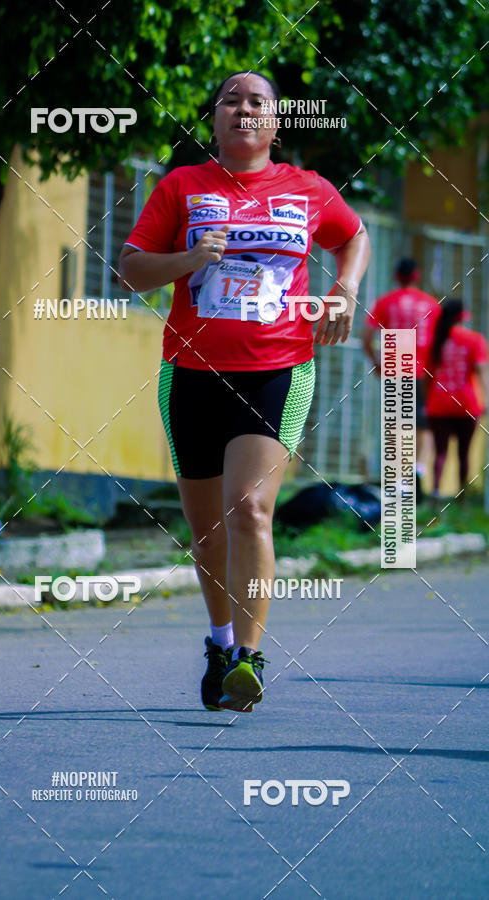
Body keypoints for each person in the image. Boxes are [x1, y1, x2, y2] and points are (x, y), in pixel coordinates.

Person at [118, 71, 370, 713]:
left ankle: (251, 659)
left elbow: (354, 235)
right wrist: (190, 260)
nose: (244, 109)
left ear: (276, 124)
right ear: (215, 120)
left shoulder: (307, 189)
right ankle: (221, 643)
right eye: (230, 99)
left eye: (258, 102)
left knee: (249, 509)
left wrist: (343, 289)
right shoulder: (182, 186)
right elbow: (131, 270)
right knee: (206, 532)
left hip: (279, 368)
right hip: (192, 373)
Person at [362, 257, 441, 489]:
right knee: (424, 421)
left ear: (396, 276)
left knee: (397, 422)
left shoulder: (385, 302)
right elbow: (440, 340)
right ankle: (419, 468)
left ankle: (399, 476)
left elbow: (366, 337)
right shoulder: (431, 304)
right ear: (416, 276)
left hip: (395, 366)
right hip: (423, 369)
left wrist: (377, 362)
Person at [425, 298, 487, 496]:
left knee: (440, 451)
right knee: (464, 453)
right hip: (466, 404)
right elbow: (481, 372)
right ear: (462, 317)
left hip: (439, 404)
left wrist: (429, 401)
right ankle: (462, 497)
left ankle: (435, 493)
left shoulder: (434, 340)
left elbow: (428, 376)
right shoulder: (474, 340)